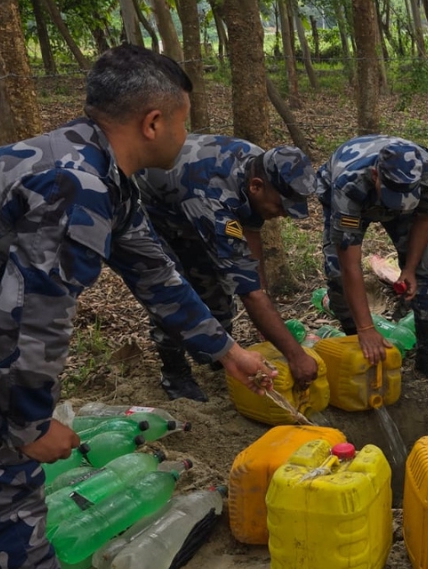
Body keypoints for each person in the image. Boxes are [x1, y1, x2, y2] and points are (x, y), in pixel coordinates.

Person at [0, 44, 271, 569]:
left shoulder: (107, 175)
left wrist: (227, 352)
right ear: (153, 122)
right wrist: (31, 423)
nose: (188, 134)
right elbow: (33, 317)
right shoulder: (73, 183)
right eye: (184, 120)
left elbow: (156, 276)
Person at [135, 136, 322, 402]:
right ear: (257, 186)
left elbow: (250, 247)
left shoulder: (260, 165)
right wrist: (296, 356)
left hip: (188, 201)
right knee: (171, 288)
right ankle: (175, 373)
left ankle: (216, 353)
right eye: (281, 206)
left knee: (216, 285)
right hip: (151, 209)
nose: (282, 214)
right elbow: (249, 293)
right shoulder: (213, 197)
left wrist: (264, 307)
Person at [318, 135, 428, 381]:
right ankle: (355, 341)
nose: (399, 206)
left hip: (392, 194)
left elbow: (425, 217)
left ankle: (426, 352)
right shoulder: (349, 184)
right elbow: (350, 265)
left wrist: (410, 268)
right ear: (376, 175)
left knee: (424, 268)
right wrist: (365, 328)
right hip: (351, 196)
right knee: (337, 273)